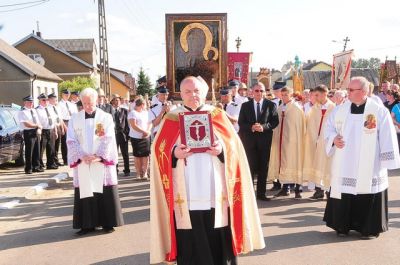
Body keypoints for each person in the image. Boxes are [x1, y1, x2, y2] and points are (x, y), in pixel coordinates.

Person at [150, 76, 265, 264]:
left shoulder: (217, 115)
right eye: (187, 91)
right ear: (181, 94)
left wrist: (221, 150)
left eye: (196, 91)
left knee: (217, 233)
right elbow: (158, 149)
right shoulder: (171, 118)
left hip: (215, 190)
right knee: (189, 234)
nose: (193, 95)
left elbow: (234, 147)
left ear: (203, 93)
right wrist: (173, 153)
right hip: (185, 191)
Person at [323, 76, 400, 239]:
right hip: (344, 162)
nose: (347, 92)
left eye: (351, 90)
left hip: (370, 163)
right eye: (348, 89)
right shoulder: (340, 110)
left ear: (364, 92)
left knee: (367, 190)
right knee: (344, 190)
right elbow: (328, 129)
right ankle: (341, 226)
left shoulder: (378, 111)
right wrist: (333, 139)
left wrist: (386, 159)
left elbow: (388, 136)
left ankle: (369, 228)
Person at [67, 87, 124, 235]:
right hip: (83, 161)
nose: (87, 106)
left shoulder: (105, 117)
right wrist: (81, 155)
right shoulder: (75, 118)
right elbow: (71, 140)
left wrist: (99, 156)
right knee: (86, 190)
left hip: (100, 161)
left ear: (96, 100)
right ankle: (87, 224)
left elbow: (109, 138)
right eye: (84, 103)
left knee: (104, 190)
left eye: (90, 103)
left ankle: (108, 222)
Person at [239, 82, 279, 200]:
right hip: (249, 141)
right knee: (250, 167)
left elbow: (275, 121)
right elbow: (241, 123)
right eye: (257, 91)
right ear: (252, 92)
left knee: (263, 168)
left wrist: (264, 127)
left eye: (262, 91)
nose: (259, 93)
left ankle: (261, 194)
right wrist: (251, 127)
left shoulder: (271, 105)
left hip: (264, 141)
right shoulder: (245, 106)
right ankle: (250, 194)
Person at [268, 86, 306, 199]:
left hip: (294, 142)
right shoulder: (280, 108)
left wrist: (296, 139)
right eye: (282, 95)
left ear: (291, 95)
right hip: (281, 141)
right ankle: (285, 188)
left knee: (295, 162)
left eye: (286, 95)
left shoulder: (296, 108)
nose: (284, 97)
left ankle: (298, 189)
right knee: (283, 163)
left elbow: (300, 127)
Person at [303, 85, 336, 200]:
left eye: (317, 95)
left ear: (324, 93)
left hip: (327, 144)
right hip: (315, 143)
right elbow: (310, 124)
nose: (314, 97)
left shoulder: (334, 108)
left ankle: (329, 191)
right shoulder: (314, 108)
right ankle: (318, 191)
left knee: (327, 166)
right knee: (315, 164)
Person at [128, 98, 152, 180]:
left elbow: (150, 123)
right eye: (145, 104)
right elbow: (133, 125)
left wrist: (147, 131)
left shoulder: (146, 113)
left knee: (146, 155)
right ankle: (138, 173)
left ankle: (145, 173)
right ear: (142, 105)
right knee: (137, 156)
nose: (145, 106)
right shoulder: (132, 113)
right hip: (136, 137)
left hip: (146, 137)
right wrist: (143, 132)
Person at [18, 96, 43, 174]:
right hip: (28, 132)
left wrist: (39, 128)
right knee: (29, 151)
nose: (31, 103)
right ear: (24, 102)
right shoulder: (22, 112)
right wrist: (37, 126)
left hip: (36, 131)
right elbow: (26, 123)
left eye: (32, 102)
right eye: (29, 102)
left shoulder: (34, 111)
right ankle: (28, 168)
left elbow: (38, 121)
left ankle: (36, 167)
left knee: (37, 150)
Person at [36, 93, 58, 170]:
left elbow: (54, 121)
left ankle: (51, 164)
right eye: (43, 100)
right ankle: (40, 165)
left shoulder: (50, 109)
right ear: (39, 101)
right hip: (43, 131)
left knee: (51, 148)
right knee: (41, 149)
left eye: (47, 100)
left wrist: (55, 131)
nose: (46, 101)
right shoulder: (37, 110)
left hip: (51, 130)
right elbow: (37, 121)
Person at [110, 94, 131, 176]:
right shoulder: (109, 111)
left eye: (118, 100)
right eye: (115, 100)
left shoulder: (124, 111)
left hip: (123, 135)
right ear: (112, 102)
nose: (117, 101)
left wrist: (127, 134)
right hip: (113, 135)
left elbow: (127, 124)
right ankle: (115, 170)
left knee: (125, 153)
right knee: (114, 153)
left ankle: (127, 170)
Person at [58, 89, 78, 165]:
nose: (67, 96)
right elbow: (60, 117)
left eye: (68, 94)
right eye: (65, 94)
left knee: (73, 141)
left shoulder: (72, 104)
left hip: (72, 122)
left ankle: (73, 157)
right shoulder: (59, 104)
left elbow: (75, 115)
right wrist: (64, 126)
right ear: (62, 95)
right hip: (64, 122)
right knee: (65, 142)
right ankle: (65, 159)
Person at [48, 93, 65, 166]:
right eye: (54, 99)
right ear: (50, 99)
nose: (55, 100)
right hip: (53, 127)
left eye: (56, 98)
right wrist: (55, 130)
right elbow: (52, 120)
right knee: (52, 145)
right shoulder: (48, 108)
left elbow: (60, 118)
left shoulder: (57, 108)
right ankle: (52, 161)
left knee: (57, 145)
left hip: (58, 127)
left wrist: (62, 128)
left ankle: (56, 160)